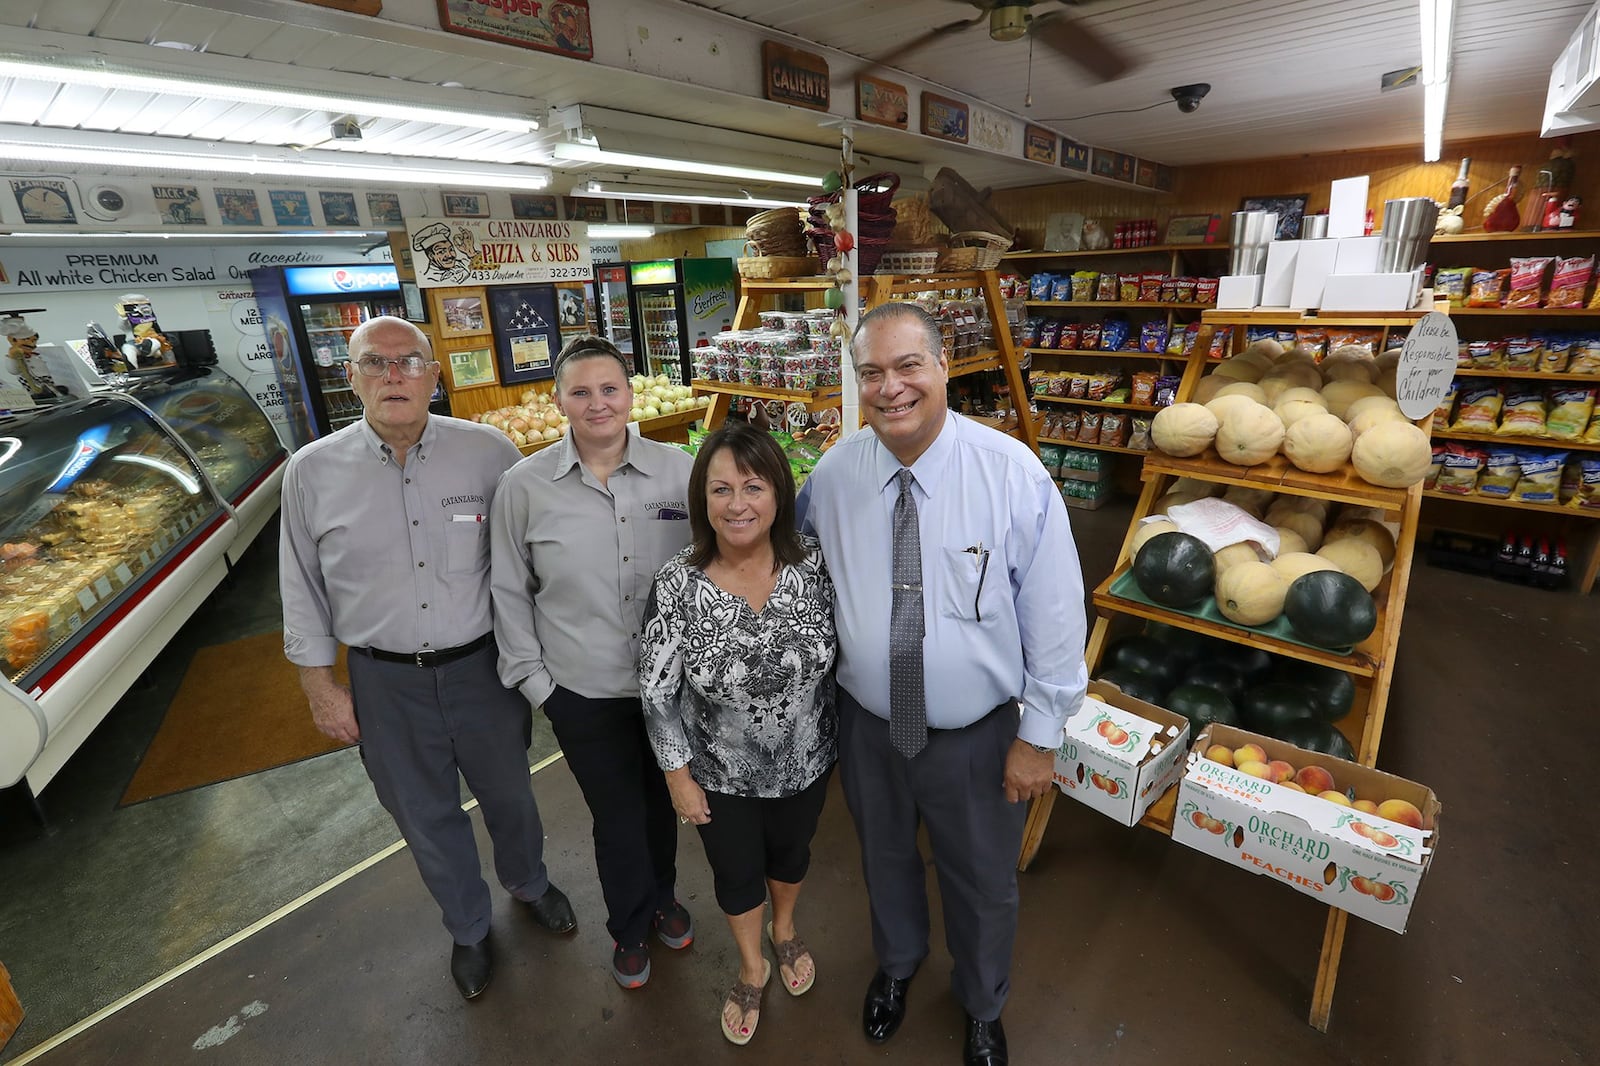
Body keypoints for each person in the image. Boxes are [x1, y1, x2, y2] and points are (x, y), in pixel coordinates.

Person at [796, 302, 1087, 1066]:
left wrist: (1040, 736)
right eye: (871, 373)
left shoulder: (1010, 474)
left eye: (907, 366)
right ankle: (897, 967)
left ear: (943, 366)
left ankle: (984, 1003)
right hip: (868, 726)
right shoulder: (832, 476)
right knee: (882, 857)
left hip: (977, 738)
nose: (890, 388)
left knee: (983, 880)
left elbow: (1056, 614)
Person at [279, 316, 575, 1002]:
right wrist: (320, 687)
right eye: (374, 365)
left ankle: (530, 884)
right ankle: (469, 926)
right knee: (423, 813)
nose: (392, 376)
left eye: (408, 362)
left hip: (483, 668)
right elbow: (300, 585)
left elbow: (532, 556)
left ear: (434, 375)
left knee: (510, 795)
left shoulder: (489, 453)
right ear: (349, 377)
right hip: (383, 680)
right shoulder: (312, 473)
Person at [489, 335, 696, 990]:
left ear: (631, 394)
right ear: (558, 402)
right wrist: (537, 684)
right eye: (580, 391)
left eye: (610, 388)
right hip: (580, 689)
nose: (597, 403)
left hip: (670, 690)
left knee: (665, 801)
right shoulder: (523, 486)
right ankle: (630, 925)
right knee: (616, 814)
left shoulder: (679, 471)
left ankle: (663, 896)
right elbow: (507, 590)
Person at [638, 423, 837, 1046]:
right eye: (721, 488)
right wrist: (676, 775)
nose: (737, 504)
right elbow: (656, 690)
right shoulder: (678, 583)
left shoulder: (812, 565)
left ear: (779, 492)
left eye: (753, 486)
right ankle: (752, 965)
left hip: (808, 759)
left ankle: (785, 930)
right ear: (702, 498)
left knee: (793, 854)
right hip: (719, 774)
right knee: (735, 871)